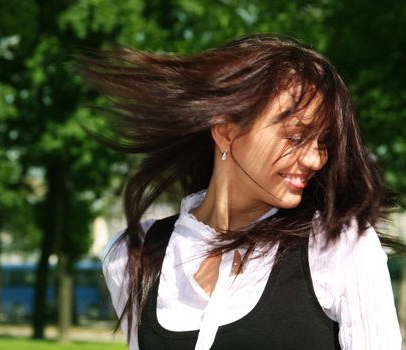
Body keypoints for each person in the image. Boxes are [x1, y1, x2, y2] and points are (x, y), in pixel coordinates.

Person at [76, 34, 404, 349]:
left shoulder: (337, 246)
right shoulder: (132, 257)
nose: (315, 158)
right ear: (225, 130)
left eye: (323, 142)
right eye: (295, 136)